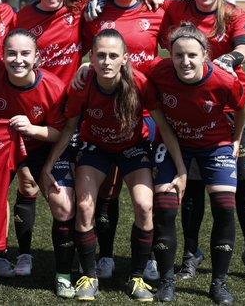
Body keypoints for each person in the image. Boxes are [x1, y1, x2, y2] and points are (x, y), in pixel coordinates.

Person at [41, 29, 184, 302]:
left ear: (124, 59)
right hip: (96, 150)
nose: (106, 61)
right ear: (91, 58)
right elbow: (70, 126)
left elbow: (163, 127)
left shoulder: (139, 83)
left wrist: (182, 169)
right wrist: (49, 164)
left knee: (145, 206)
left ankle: (137, 276)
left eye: (113, 56)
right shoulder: (83, 86)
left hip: (133, 149)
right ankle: (89, 275)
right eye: (101, 55)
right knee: (84, 208)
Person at [158, 0, 245, 286]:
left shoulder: (233, 13)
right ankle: (191, 252)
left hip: (231, 108)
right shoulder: (176, 9)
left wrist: (227, 60)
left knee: (243, 187)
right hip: (188, 107)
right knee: (192, 187)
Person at [146, 22, 245, 304]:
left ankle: (219, 282)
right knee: (165, 208)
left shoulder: (224, 80)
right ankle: (167, 281)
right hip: (174, 143)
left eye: (192, 55)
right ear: (170, 55)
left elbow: (242, 110)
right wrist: (180, 169)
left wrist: (236, 142)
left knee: (225, 209)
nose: (185, 61)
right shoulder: (159, 73)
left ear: (205, 54)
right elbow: (164, 127)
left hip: (215, 147)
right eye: (178, 55)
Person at [0, 29, 73, 297]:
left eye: (25, 53)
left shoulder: (53, 87)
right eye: (11, 53)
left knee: (63, 205)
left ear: (37, 57)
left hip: (40, 147)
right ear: (2, 56)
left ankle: (63, 275)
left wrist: (32, 128)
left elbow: (61, 133)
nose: (18, 60)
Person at [80, 0, 165, 281]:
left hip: (148, 113)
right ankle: (105, 256)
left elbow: (199, 4)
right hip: (105, 111)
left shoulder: (158, 9)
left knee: (152, 192)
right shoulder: (95, 13)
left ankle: (153, 255)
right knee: (108, 190)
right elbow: (64, 1)